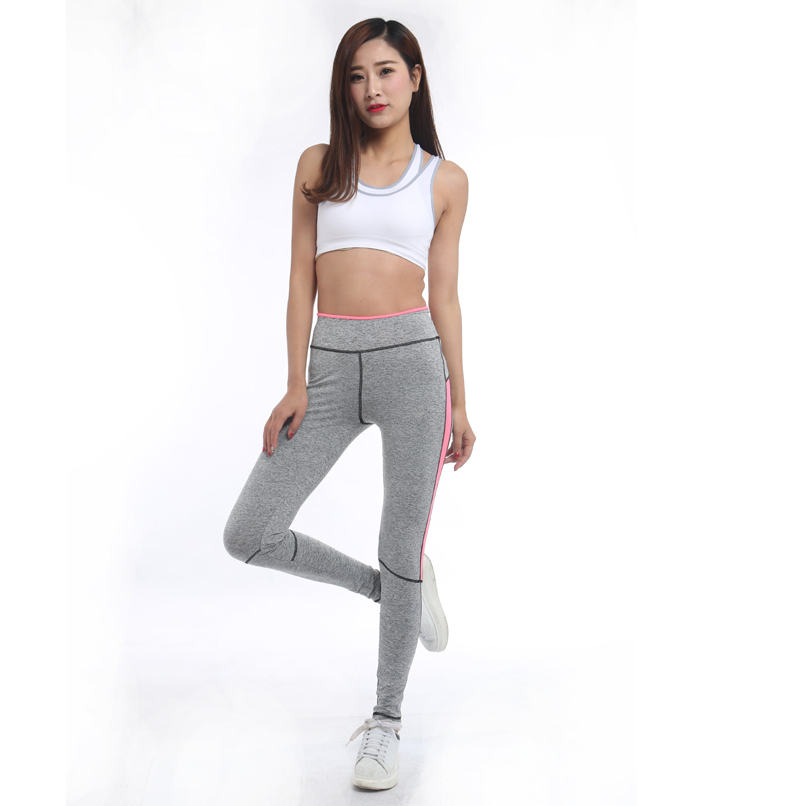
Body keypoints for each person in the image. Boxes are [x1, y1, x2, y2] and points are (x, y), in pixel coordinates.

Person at [223, 17, 475, 791]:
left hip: (414, 367)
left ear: (415, 78)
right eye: (358, 75)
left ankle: (385, 724)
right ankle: (393, 589)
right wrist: (295, 380)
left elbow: (446, 296)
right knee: (249, 532)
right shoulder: (319, 165)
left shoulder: (445, 180)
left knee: (401, 538)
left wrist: (461, 402)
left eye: (386, 71)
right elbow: (300, 277)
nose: (372, 88)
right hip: (329, 367)